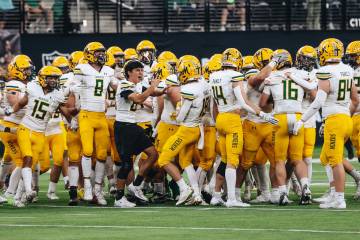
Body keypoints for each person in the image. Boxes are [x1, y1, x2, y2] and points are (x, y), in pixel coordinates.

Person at [293, 38, 359, 209]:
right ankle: (333, 194)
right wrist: (344, 115)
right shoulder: (347, 70)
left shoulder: (325, 71)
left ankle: (339, 198)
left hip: (335, 120)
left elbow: (318, 102)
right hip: (345, 118)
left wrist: (302, 120)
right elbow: (355, 98)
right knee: (326, 157)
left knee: (335, 160)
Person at [113, 59, 162, 208]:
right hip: (123, 127)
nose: (141, 73)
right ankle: (119, 198)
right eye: (137, 70)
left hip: (133, 126)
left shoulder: (136, 85)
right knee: (127, 164)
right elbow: (139, 98)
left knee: (153, 154)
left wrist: (164, 91)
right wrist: (152, 88)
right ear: (129, 72)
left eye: (141, 70)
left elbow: (152, 92)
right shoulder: (124, 84)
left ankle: (136, 184)